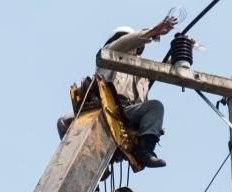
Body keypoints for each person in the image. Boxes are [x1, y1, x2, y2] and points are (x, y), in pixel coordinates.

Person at [57, 16, 179, 168]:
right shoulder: (109, 54)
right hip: (105, 108)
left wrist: (183, 49)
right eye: (125, 40)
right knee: (64, 120)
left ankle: (144, 151)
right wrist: (153, 32)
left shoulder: (142, 69)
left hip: (129, 114)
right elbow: (125, 42)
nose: (130, 45)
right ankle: (81, 159)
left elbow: (166, 66)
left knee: (155, 107)